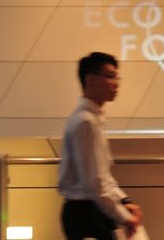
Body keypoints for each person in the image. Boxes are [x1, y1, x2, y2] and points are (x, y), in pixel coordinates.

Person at [58, 52, 142, 240]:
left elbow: (103, 176)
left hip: (93, 210)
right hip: (85, 215)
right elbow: (94, 184)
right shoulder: (85, 122)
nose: (116, 83)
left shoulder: (94, 119)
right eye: (110, 76)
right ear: (90, 80)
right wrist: (124, 217)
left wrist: (124, 200)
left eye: (116, 77)